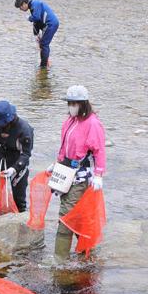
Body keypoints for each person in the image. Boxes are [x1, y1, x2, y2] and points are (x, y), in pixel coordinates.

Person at [48, 86, 106, 261]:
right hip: (66, 172)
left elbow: (99, 151)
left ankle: (59, 260)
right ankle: (87, 252)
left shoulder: (93, 124)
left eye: (73, 103)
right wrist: (56, 164)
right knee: (78, 216)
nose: (70, 106)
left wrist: (98, 174)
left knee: (65, 217)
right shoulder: (70, 121)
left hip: (80, 177)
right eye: (69, 103)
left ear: (82, 104)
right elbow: (64, 146)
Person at [14, 0, 59, 69]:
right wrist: (36, 35)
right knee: (42, 44)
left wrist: (29, 18)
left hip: (50, 24)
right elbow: (36, 23)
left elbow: (36, 18)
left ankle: (43, 66)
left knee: (44, 44)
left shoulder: (35, 3)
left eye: (20, 7)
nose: (20, 9)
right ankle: (45, 63)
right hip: (48, 24)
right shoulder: (33, 5)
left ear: (24, 3)